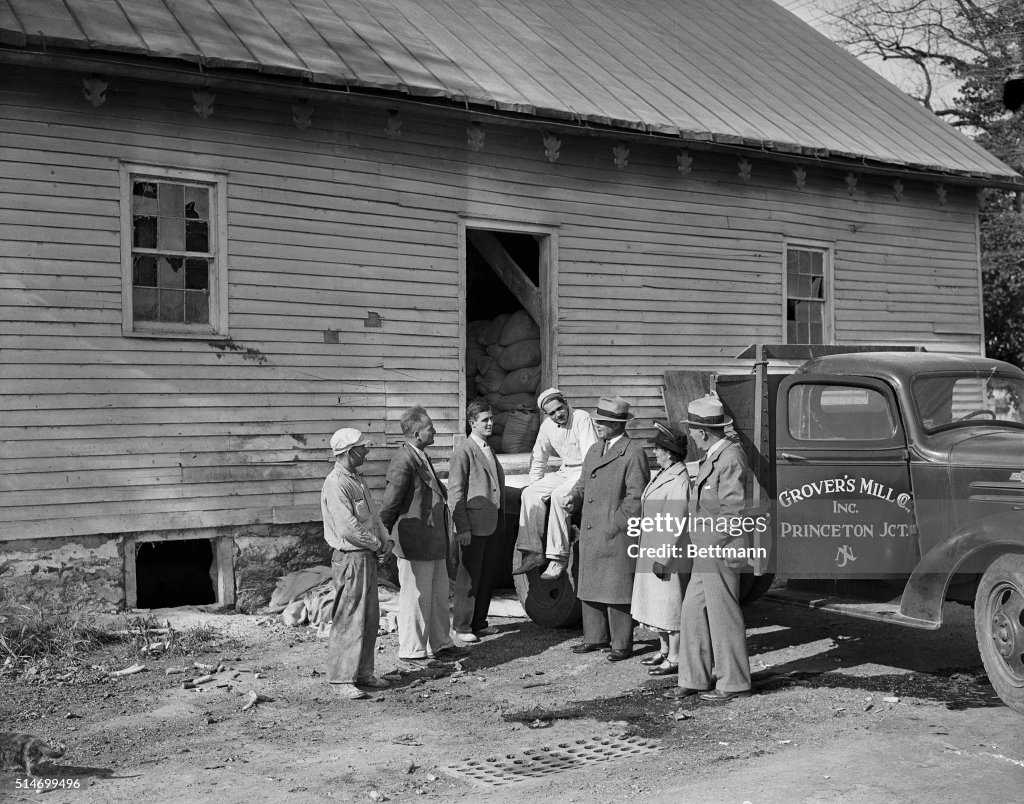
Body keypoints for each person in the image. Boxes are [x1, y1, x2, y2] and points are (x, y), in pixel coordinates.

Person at [661, 396, 753, 703]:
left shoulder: (729, 458)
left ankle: (734, 682)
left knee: (723, 615)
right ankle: (693, 678)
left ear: (701, 432)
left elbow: (733, 513)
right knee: (692, 612)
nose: (690, 435)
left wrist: (708, 543)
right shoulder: (716, 455)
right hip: (707, 550)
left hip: (720, 549)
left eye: (692, 430)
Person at [380, 406, 469, 668]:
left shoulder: (420, 455)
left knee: (439, 596)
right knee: (416, 598)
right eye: (430, 428)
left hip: (433, 541)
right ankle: (412, 651)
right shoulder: (403, 460)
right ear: (417, 433)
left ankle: (440, 644)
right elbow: (390, 504)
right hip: (414, 543)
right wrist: (382, 538)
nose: (435, 431)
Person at [565, 396, 650, 661]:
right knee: (590, 583)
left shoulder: (633, 452)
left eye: (602, 422)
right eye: (597, 420)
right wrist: (573, 497)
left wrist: (616, 524)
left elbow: (636, 498)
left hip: (616, 533)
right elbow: (582, 484)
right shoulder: (594, 450)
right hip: (592, 529)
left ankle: (622, 643)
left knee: (617, 588)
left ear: (617, 424)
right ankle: (595, 637)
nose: (597, 425)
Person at [321, 428, 394, 700]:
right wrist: (376, 544)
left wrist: (386, 540)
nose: (367, 451)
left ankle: (363, 673)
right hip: (351, 558)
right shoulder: (336, 484)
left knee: (369, 618)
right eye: (363, 447)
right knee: (349, 618)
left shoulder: (357, 480)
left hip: (366, 557)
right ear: (349, 452)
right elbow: (349, 528)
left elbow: (373, 517)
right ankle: (341, 679)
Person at [515, 387, 599, 579]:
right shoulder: (547, 426)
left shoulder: (581, 418)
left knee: (559, 496)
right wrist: (535, 485)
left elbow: (591, 457)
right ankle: (533, 551)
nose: (558, 414)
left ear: (566, 403)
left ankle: (558, 557)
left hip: (583, 470)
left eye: (560, 408)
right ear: (546, 414)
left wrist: (582, 486)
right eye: (552, 413)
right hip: (565, 470)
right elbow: (539, 457)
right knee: (529, 493)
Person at [631, 423, 691, 677]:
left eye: (658, 448)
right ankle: (664, 650)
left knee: (670, 605)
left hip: (668, 554)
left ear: (670, 452)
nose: (655, 452)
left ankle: (675, 657)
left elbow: (676, 523)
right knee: (657, 604)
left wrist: (663, 558)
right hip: (653, 547)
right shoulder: (665, 474)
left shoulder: (679, 481)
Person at [448, 399, 506, 643]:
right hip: (473, 526)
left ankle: (479, 622)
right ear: (472, 423)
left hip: (491, 523)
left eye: (491, 419)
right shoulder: (464, 450)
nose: (490, 423)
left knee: (486, 575)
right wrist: (463, 528)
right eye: (485, 420)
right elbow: (455, 493)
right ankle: (461, 626)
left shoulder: (487, 448)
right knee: (468, 578)